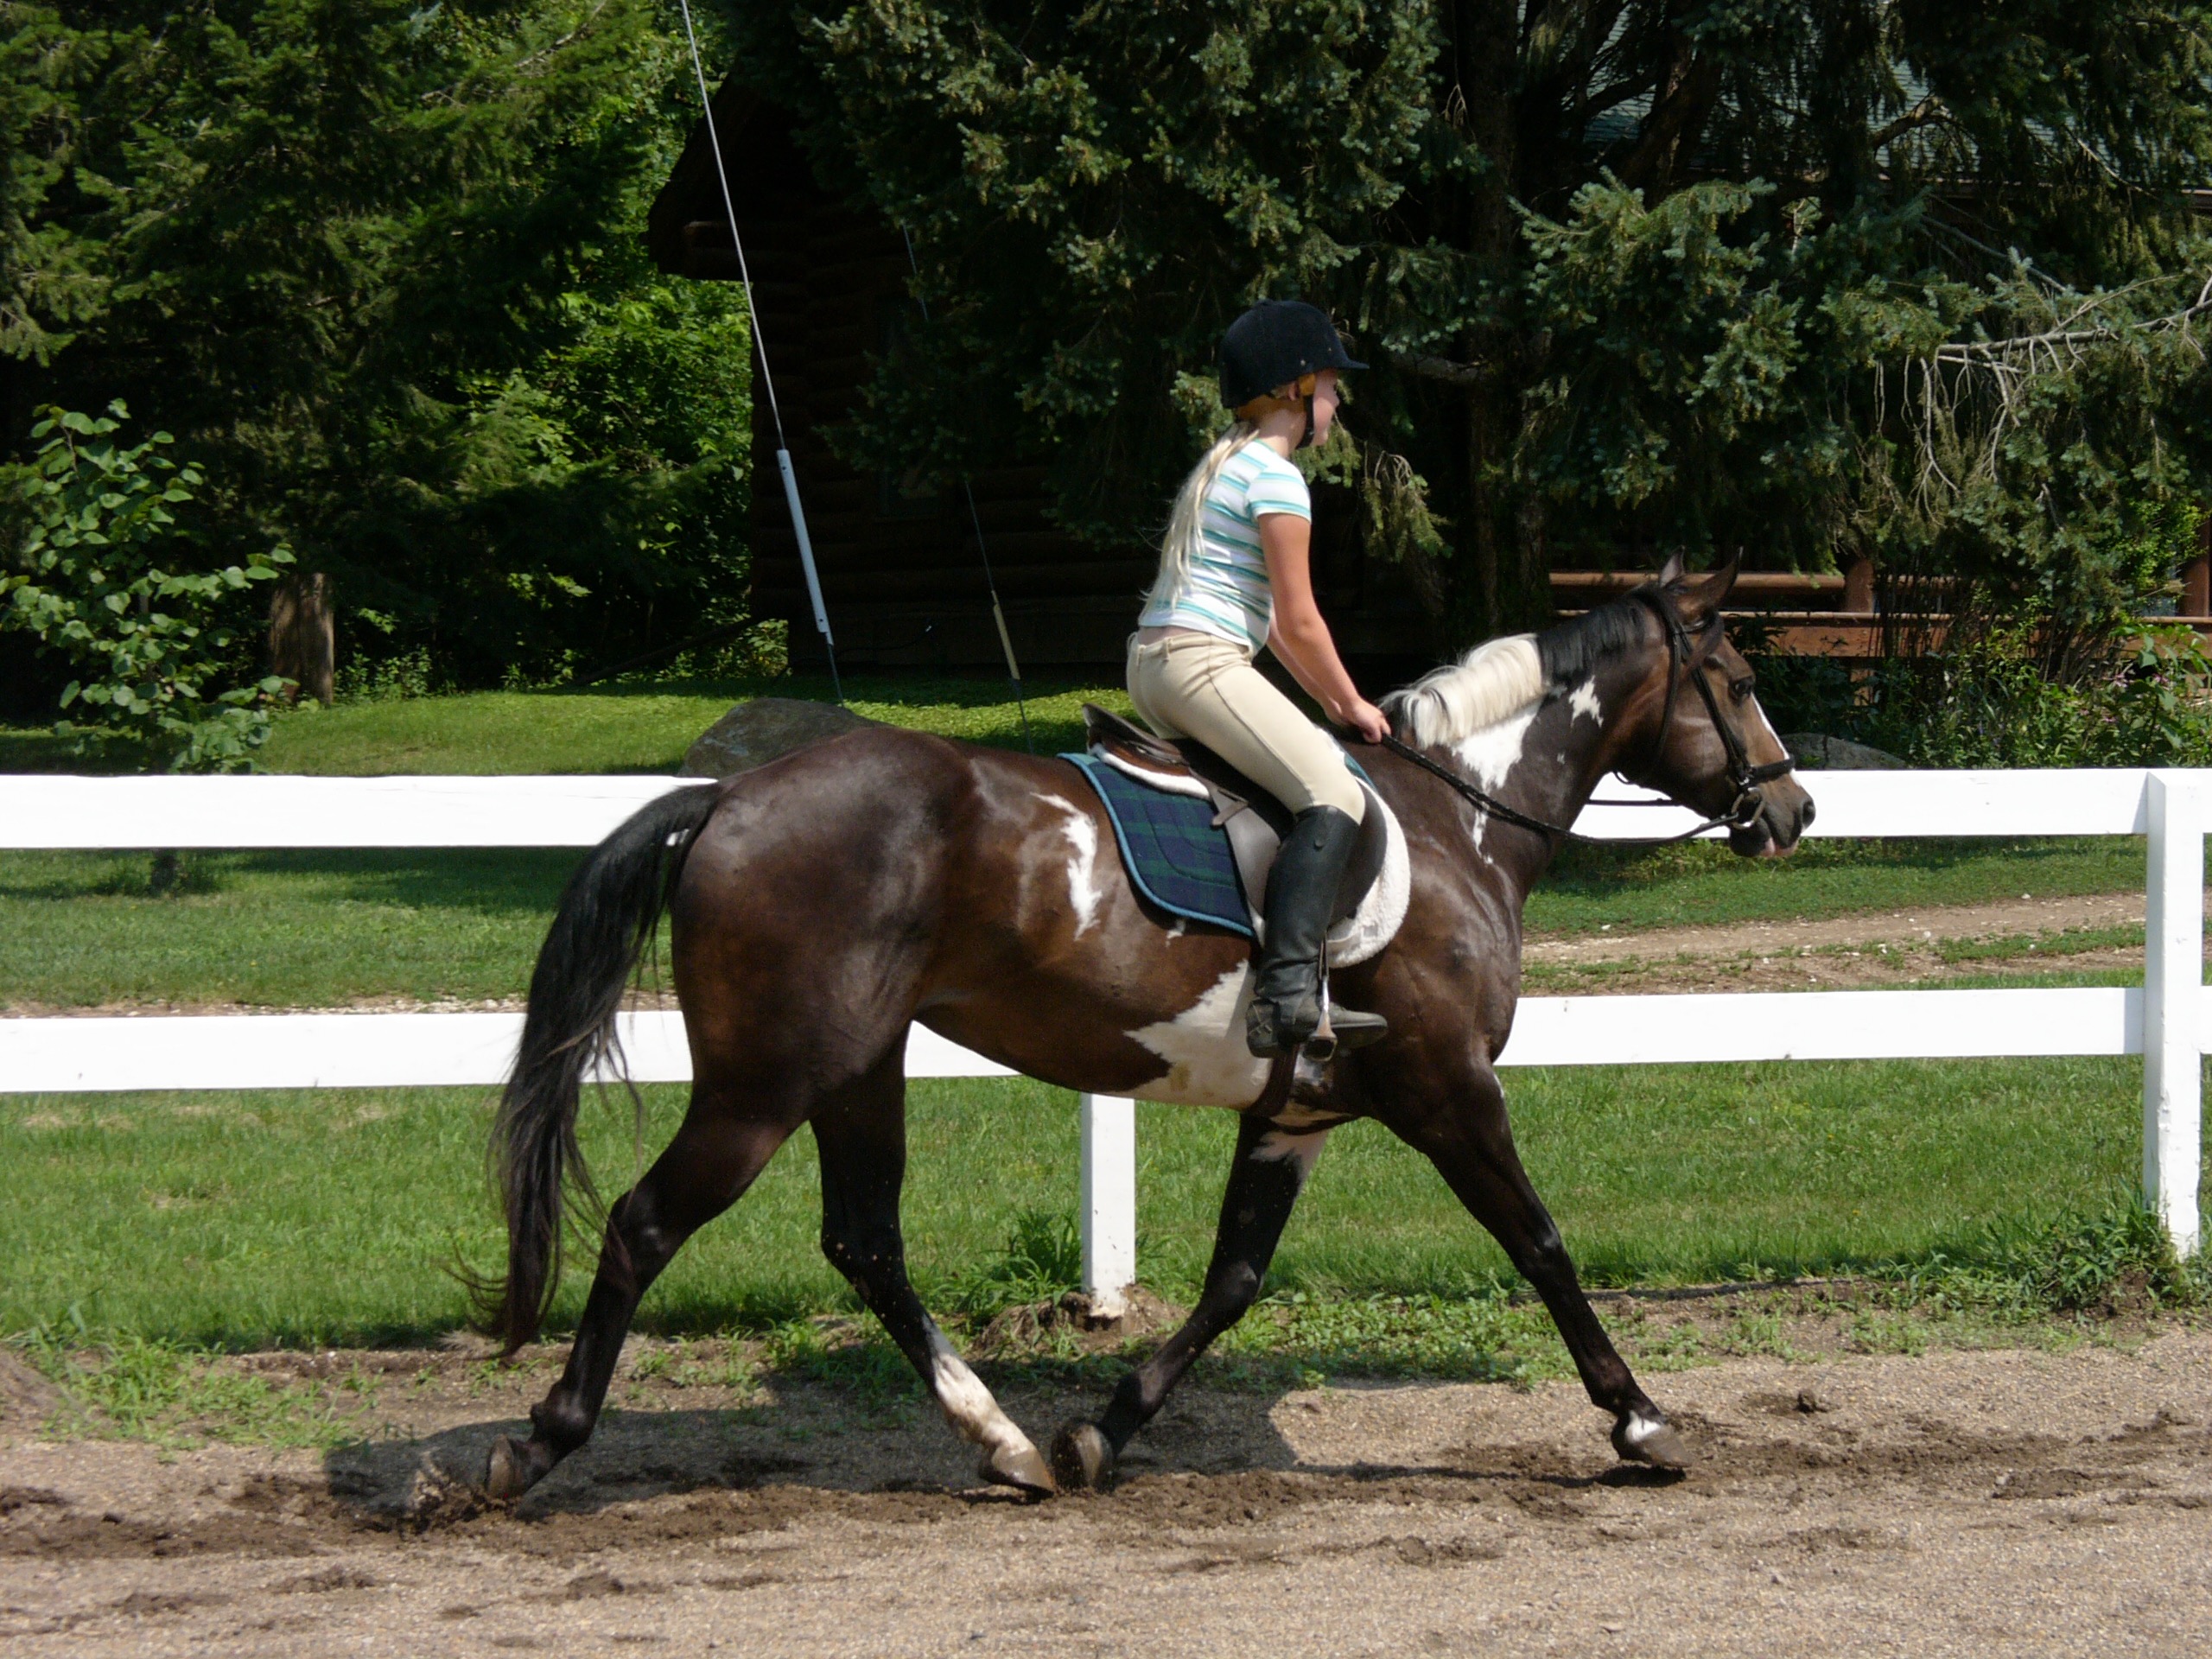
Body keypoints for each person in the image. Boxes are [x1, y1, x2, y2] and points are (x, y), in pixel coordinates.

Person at [1127, 299, 1390, 1059]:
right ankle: (1288, 996)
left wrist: (1328, 706)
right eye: (1333, 387)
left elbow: (1271, 624)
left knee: (1291, 777)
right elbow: (1302, 622)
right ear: (1296, 390)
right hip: (1200, 662)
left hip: (1156, 661)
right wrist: (1352, 705)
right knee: (1334, 792)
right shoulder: (1275, 478)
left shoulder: (1223, 467)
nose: (1338, 403)